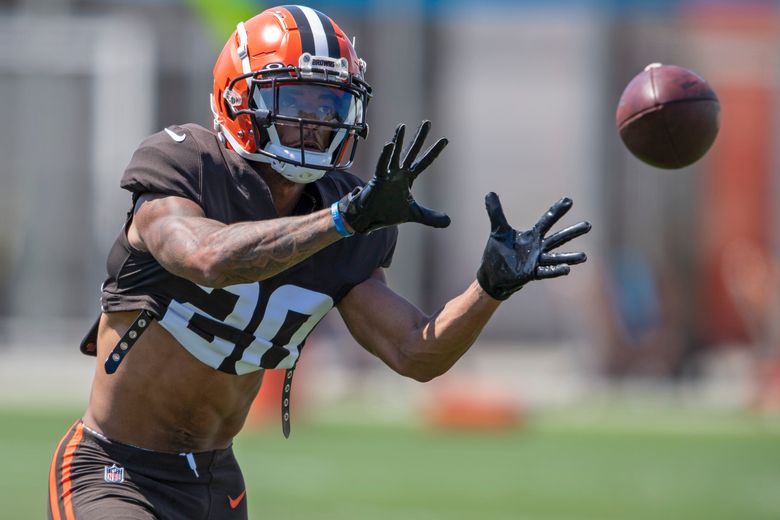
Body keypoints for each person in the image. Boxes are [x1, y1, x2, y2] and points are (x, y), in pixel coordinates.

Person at [47, 5, 591, 520]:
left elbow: (413, 351)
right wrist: (339, 221)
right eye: (296, 102)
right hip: (113, 468)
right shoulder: (185, 164)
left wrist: (488, 289)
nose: (314, 123)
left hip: (217, 483)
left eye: (328, 105)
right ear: (239, 101)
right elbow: (205, 257)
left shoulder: (345, 212)